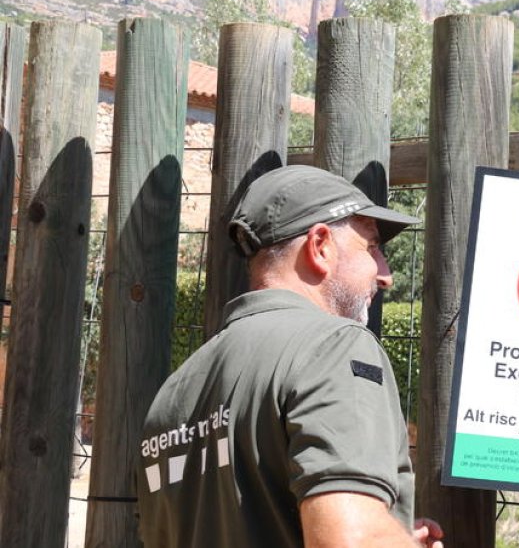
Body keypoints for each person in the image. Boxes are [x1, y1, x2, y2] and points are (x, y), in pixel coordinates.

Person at [137, 165, 444, 548]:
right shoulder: (334, 347)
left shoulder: (174, 392)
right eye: (372, 246)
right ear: (320, 245)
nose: (385, 275)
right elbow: (348, 541)